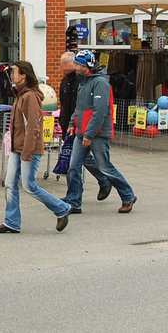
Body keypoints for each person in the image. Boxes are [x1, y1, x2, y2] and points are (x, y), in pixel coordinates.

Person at [0, 60, 71, 234]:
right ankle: (12, 221)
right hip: (17, 147)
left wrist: (27, 151)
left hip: (29, 149)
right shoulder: (20, 94)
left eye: (15, 72)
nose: (12, 75)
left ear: (24, 75)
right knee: (10, 184)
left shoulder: (30, 97)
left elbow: (34, 127)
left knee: (29, 185)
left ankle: (61, 208)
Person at [64, 50, 137, 214]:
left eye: (77, 64)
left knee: (105, 168)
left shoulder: (100, 83)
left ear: (86, 66)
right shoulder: (83, 81)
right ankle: (74, 202)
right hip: (82, 132)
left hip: (96, 134)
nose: (74, 66)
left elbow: (100, 111)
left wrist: (89, 134)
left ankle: (128, 195)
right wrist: (72, 123)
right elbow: (79, 107)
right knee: (73, 167)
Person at [59, 52, 111, 205]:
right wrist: (68, 123)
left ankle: (112, 184)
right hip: (74, 126)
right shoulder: (67, 81)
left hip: (87, 128)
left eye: (63, 63)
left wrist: (88, 132)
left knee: (96, 163)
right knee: (74, 164)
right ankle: (74, 198)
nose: (61, 67)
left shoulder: (88, 81)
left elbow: (96, 109)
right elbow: (69, 105)